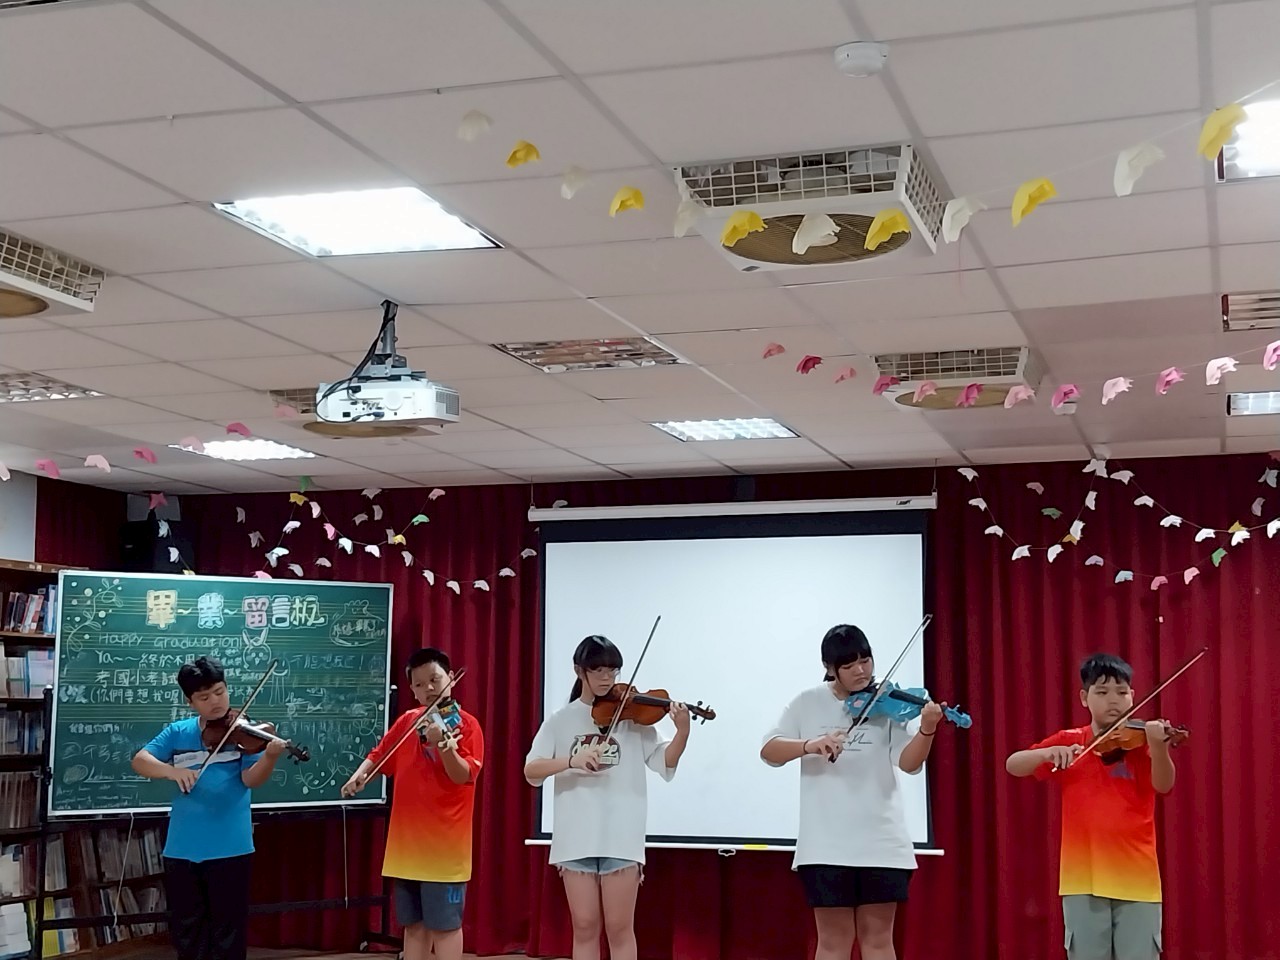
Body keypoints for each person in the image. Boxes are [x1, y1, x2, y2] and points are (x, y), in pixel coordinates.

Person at [760, 624, 942, 960]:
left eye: (866, 661)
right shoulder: (807, 701)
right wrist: (810, 745)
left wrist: (927, 730)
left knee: (878, 941)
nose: (861, 671)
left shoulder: (888, 704)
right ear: (830, 668)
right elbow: (769, 750)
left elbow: (908, 762)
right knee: (833, 942)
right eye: (849, 665)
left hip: (883, 844)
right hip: (824, 846)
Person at [523, 635, 692, 960]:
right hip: (575, 839)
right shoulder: (561, 719)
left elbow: (664, 761)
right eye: (598, 670)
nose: (607, 678)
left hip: (622, 838)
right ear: (579, 671)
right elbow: (532, 770)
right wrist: (572, 761)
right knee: (584, 927)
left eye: (613, 671)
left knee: (619, 928)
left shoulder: (633, 718)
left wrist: (682, 732)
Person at [1006, 653, 1175, 960]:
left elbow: (1164, 785)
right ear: (1084, 698)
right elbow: (1013, 764)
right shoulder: (1071, 741)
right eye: (1102, 691)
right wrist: (1047, 753)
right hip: (1082, 880)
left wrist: (1160, 747)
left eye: (1122, 692)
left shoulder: (1142, 744)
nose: (1114, 700)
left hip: (1138, 879)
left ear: (1133, 696)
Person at [130, 655, 286, 960]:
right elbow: (140, 761)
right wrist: (172, 771)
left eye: (220, 691)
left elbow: (251, 779)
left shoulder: (246, 732)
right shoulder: (178, 732)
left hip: (231, 847)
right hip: (182, 848)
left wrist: (269, 757)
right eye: (204, 697)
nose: (215, 701)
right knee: (188, 933)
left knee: (228, 934)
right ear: (190, 702)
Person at [341, 648, 483, 960]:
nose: (429, 688)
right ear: (412, 690)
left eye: (435, 679)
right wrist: (360, 775)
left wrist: (443, 744)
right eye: (419, 684)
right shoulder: (408, 721)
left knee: (445, 927)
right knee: (413, 925)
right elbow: (379, 754)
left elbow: (462, 775)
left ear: (451, 679)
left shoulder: (467, 725)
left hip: (445, 848)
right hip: (406, 845)